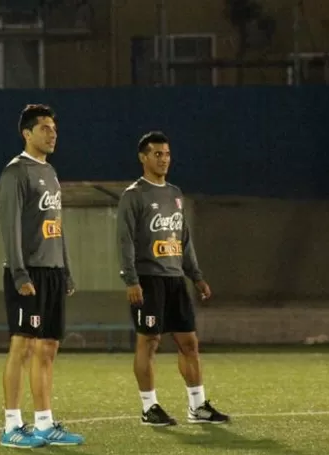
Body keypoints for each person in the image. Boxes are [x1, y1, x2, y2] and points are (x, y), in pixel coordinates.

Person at [116, 131, 230, 426]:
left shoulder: (175, 194)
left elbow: (184, 239)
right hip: (148, 278)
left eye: (166, 154)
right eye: (157, 154)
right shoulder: (134, 196)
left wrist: (196, 276)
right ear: (143, 157)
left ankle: (197, 406)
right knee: (149, 342)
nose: (163, 159)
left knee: (189, 343)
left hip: (175, 279)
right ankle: (149, 408)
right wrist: (131, 279)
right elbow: (125, 241)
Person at [0, 104, 84, 448]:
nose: (52, 134)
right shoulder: (16, 172)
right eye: (45, 128)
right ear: (27, 133)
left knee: (48, 348)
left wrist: (66, 270)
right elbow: (10, 228)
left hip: (52, 272)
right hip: (27, 272)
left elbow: (56, 227)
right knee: (22, 346)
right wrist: (19, 273)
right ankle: (11, 426)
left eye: (54, 128)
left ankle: (45, 424)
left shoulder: (50, 173)